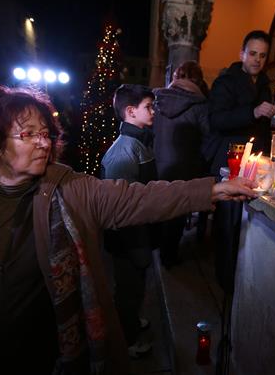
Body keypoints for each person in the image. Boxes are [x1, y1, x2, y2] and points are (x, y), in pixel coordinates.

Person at [0, 86, 257, 375]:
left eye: (46, 133)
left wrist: (210, 189)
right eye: (28, 134)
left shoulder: (70, 191)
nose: (44, 142)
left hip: (46, 360)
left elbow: (137, 198)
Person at [100, 84, 157, 358]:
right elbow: (119, 207)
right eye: (149, 106)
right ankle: (126, 340)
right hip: (127, 236)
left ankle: (131, 321)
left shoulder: (138, 142)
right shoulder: (124, 152)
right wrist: (133, 242)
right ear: (131, 112)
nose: (153, 111)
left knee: (136, 282)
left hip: (138, 231)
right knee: (127, 287)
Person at [153, 60, 212, 267]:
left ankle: (160, 250)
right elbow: (208, 138)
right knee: (177, 213)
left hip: (159, 163)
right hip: (186, 166)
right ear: (198, 80)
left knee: (161, 208)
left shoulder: (158, 99)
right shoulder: (201, 105)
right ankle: (169, 257)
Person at [208, 29, 275, 176]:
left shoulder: (264, 86)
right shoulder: (225, 82)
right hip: (229, 157)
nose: (258, 60)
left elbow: (263, 129)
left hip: (257, 159)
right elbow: (216, 120)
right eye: (253, 54)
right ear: (242, 55)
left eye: (262, 55)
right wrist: (253, 112)